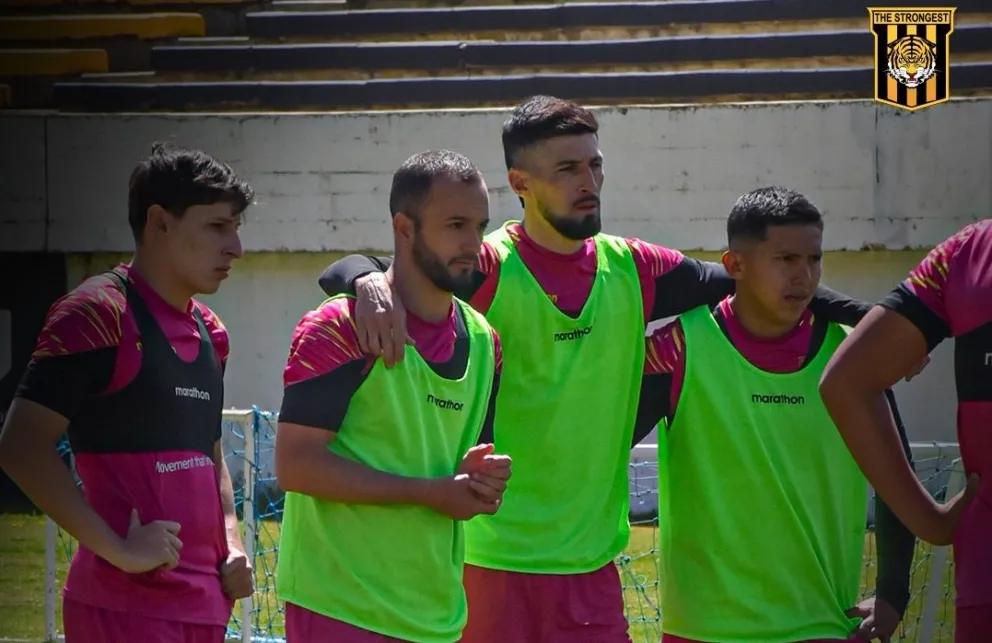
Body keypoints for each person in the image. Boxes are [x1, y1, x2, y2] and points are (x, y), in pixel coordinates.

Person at [316, 96, 872, 642]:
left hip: (592, 567)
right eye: (566, 169)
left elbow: (759, 279)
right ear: (521, 183)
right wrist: (365, 280)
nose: (588, 181)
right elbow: (385, 270)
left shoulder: (634, 267)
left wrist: (878, 319)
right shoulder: (486, 267)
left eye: (594, 165)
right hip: (490, 559)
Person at [0, 142, 256, 643]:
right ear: (159, 222)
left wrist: (231, 541)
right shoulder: (97, 314)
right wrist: (119, 549)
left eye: (236, 229)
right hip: (123, 612)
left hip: (207, 608)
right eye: (217, 227)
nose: (236, 248)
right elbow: (19, 447)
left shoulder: (211, 331)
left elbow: (209, 454)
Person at [635, 186, 916, 643]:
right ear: (735, 265)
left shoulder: (852, 356)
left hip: (822, 622)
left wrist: (892, 593)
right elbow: (605, 446)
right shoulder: (676, 349)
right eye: (785, 259)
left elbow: (896, 480)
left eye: (813, 259)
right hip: (703, 629)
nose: (803, 276)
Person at [274, 150, 511, 643]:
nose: (473, 244)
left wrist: (477, 482)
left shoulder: (486, 340)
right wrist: (429, 492)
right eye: (455, 225)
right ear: (404, 228)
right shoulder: (337, 327)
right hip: (342, 609)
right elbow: (295, 466)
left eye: (480, 225)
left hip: (437, 614)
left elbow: (455, 469)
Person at [819, 219, 990, 643]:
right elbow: (848, 383)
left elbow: (847, 383)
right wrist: (929, 522)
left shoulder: (971, 250)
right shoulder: (968, 252)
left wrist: (929, 524)